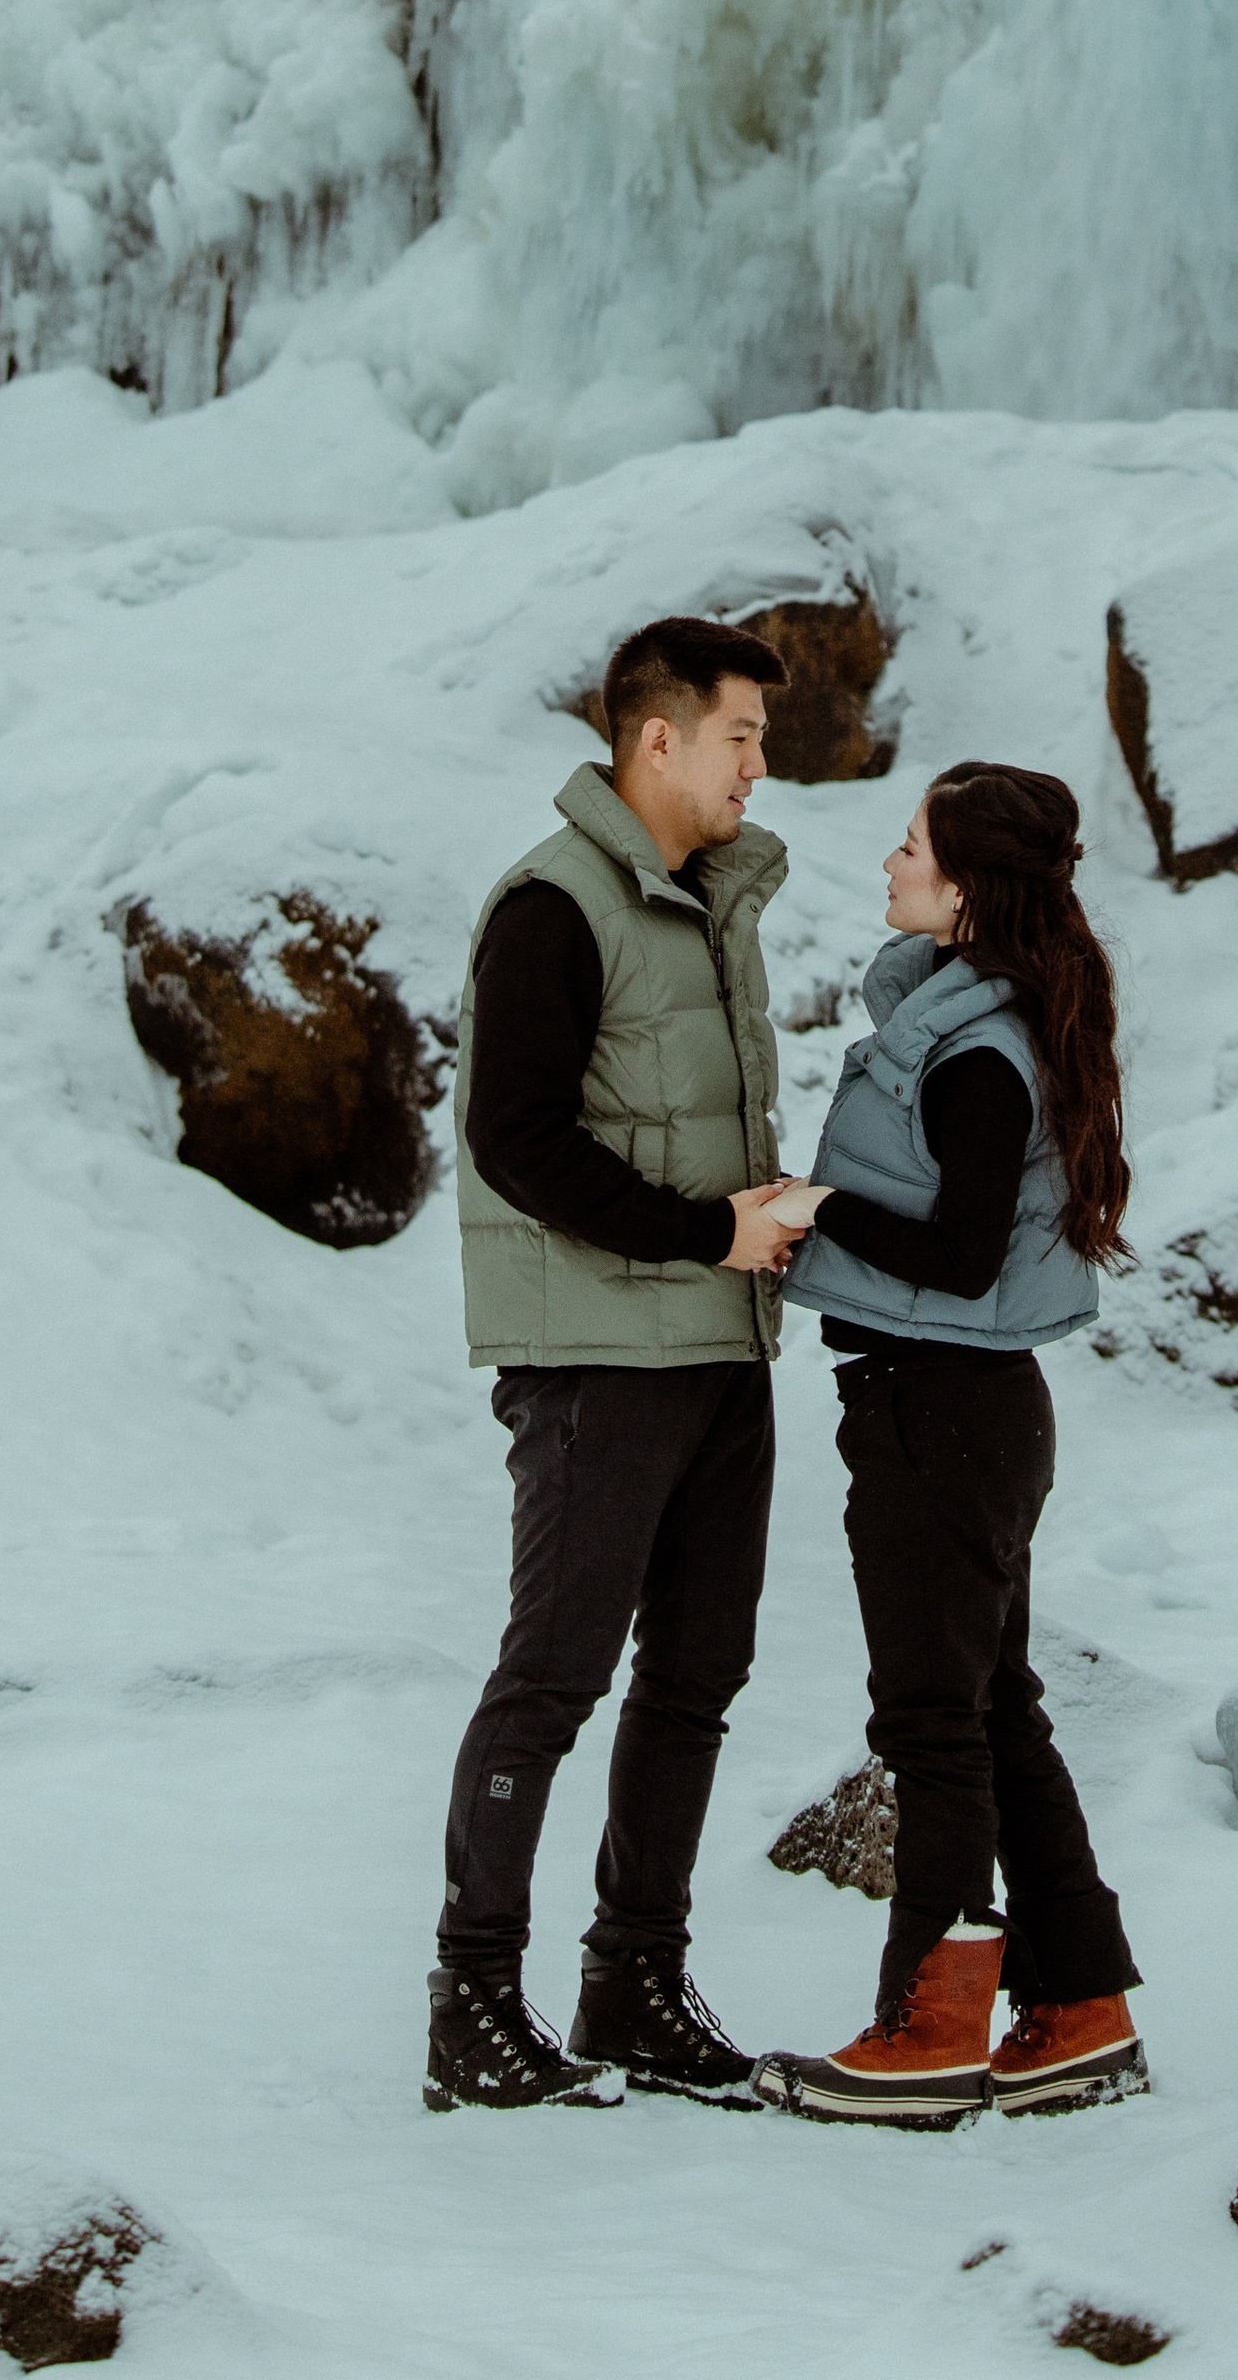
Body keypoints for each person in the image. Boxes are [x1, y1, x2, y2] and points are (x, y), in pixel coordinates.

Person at [425, 615, 804, 2113]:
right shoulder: (553, 904)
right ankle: (472, 1992)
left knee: (699, 1668)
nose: (761, 764)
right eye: (742, 736)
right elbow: (513, 1141)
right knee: (554, 1674)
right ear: (658, 737)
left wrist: (759, 1232)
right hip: (597, 1353)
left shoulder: (712, 902)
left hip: (720, 1343)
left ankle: (633, 1979)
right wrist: (703, 1229)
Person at [753, 762, 1145, 2127]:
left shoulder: (979, 1047)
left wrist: (819, 1205)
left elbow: (966, 1252)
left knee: (936, 1718)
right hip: (968, 1408)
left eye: (912, 842)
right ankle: (1079, 2001)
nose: (890, 857)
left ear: (967, 887)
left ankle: (933, 2026)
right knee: (991, 1707)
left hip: (941, 1406)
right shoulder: (977, 1014)